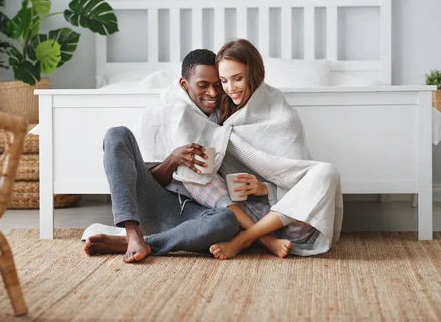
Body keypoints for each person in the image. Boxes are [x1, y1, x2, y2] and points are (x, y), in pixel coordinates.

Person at [84, 49, 240, 263]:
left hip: (194, 217)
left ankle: (145, 243)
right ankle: (132, 232)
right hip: (155, 203)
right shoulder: (163, 115)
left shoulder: (230, 117)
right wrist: (173, 160)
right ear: (185, 85)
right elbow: (145, 181)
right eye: (203, 85)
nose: (212, 93)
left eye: (217, 84)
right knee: (116, 134)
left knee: (227, 220)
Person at [207, 39, 341, 259]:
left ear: (254, 73)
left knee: (327, 172)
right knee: (200, 178)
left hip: (289, 220)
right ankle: (264, 239)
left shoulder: (281, 114)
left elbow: (297, 177)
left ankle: (245, 239)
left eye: (238, 79)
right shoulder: (219, 113)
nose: (230, 88)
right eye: (224, 80)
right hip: (243, 213)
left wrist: (263, 188)